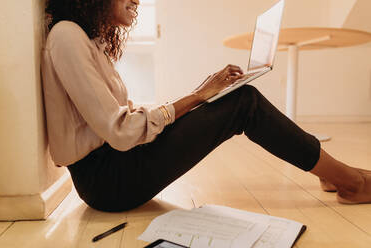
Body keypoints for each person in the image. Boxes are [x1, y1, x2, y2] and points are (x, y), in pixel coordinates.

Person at [42, 0, 371, 212]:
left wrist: (198, 95)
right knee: (244, 103)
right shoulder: (66, 37)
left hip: (117, 165)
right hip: (109, 183)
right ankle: (348, 181)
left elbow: (124, 123)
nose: (137, 1)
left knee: (238, 100)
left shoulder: (85, 42)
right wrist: (198, 96)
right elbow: (122, 133)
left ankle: (330, 174)